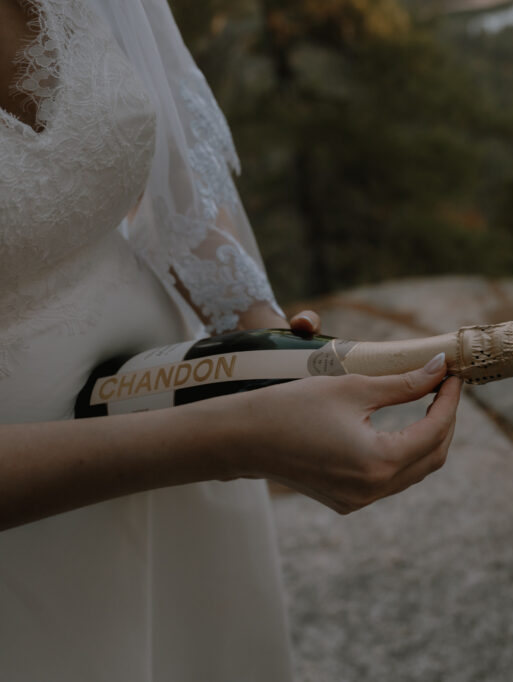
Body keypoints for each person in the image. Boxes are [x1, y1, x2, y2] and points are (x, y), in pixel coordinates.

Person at [0, 0, 460, 679]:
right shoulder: (225, 437)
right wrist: (234, 437)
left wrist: (261, 341)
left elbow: (176, 180)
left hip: (183, 407)